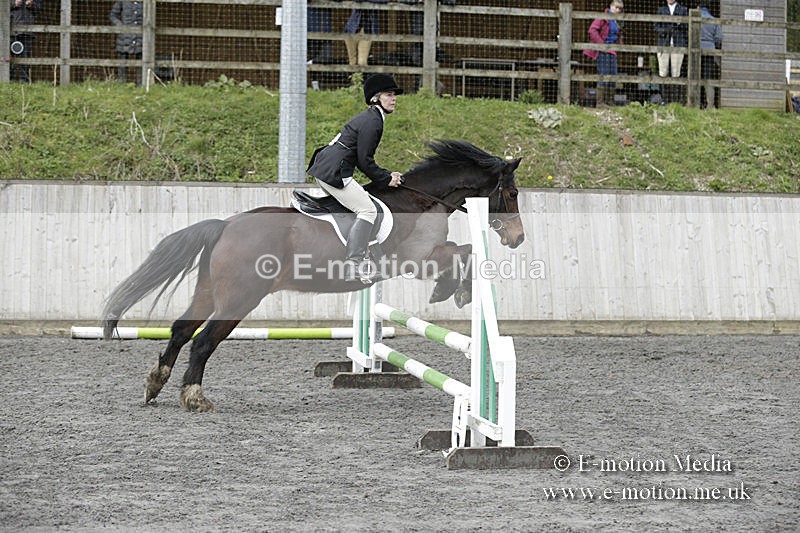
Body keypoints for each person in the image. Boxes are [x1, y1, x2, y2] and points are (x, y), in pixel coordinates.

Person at [306, 74, 405, 281]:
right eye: (388, 95)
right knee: (368, 210)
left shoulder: (370, 117)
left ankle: (369, 256)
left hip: (327, 167)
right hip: (334, 172)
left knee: (363, 204)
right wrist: (386, 179)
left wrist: (385, 174)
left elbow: (363, 159)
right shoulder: (373, 122)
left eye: (394, 95)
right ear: (376, 98)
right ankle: (353, 265)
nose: (394, 98)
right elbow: (365, 160)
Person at [583, 0, 624, 107]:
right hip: (603, 50)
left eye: (620, 8)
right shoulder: (603, 17)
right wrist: (601, 44)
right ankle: (600, 102)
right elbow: (592, 30)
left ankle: (610, 101)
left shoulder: (617, 21)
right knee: (604, 74)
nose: (618, 10)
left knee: (613, 75)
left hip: (613, 51)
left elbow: (619, 35)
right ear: (611, 6)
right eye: (616, 7)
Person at [654, 0, 689, 104]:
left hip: (678, 44)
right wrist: (667, 30)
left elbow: (687, 28)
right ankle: (664, 100)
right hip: (664, 44)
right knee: (663, 72)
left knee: (676, 73)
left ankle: (675, 101)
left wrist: (679, 23)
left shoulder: (683, 10)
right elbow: (656, 27)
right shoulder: (661, 10)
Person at [695, 0, 722, 108]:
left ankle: (695, 103)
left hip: (696, 51)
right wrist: (711, 43)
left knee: (695, 77)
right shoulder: (714, 20)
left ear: (698, 7)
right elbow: (719, 38)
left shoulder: (696, 19)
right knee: (708, 78)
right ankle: (710, 105)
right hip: (710, 50)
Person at [343, 0, 387, 66]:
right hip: (352, 29)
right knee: (352, 61)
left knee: (362, 62)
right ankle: (354, 76)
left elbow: (384, 1)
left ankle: (361, 76)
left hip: (367, 30)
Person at [109, 1, 143, 85]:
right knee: (122, 62)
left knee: (142, 61)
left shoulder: (145, 2)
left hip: (141, 36)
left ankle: (141, 85)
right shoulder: (122, 1)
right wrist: (120, 26)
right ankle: (122, 85)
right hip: (124, 36)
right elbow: (113, 15)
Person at [10, 0, 42, 83]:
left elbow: (39, 8)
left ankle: (23, 80)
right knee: (10, 56)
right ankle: (9, 79)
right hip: (11, 30)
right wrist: (14, 4)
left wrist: (31, 4)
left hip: (27, 31)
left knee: (25, 56)